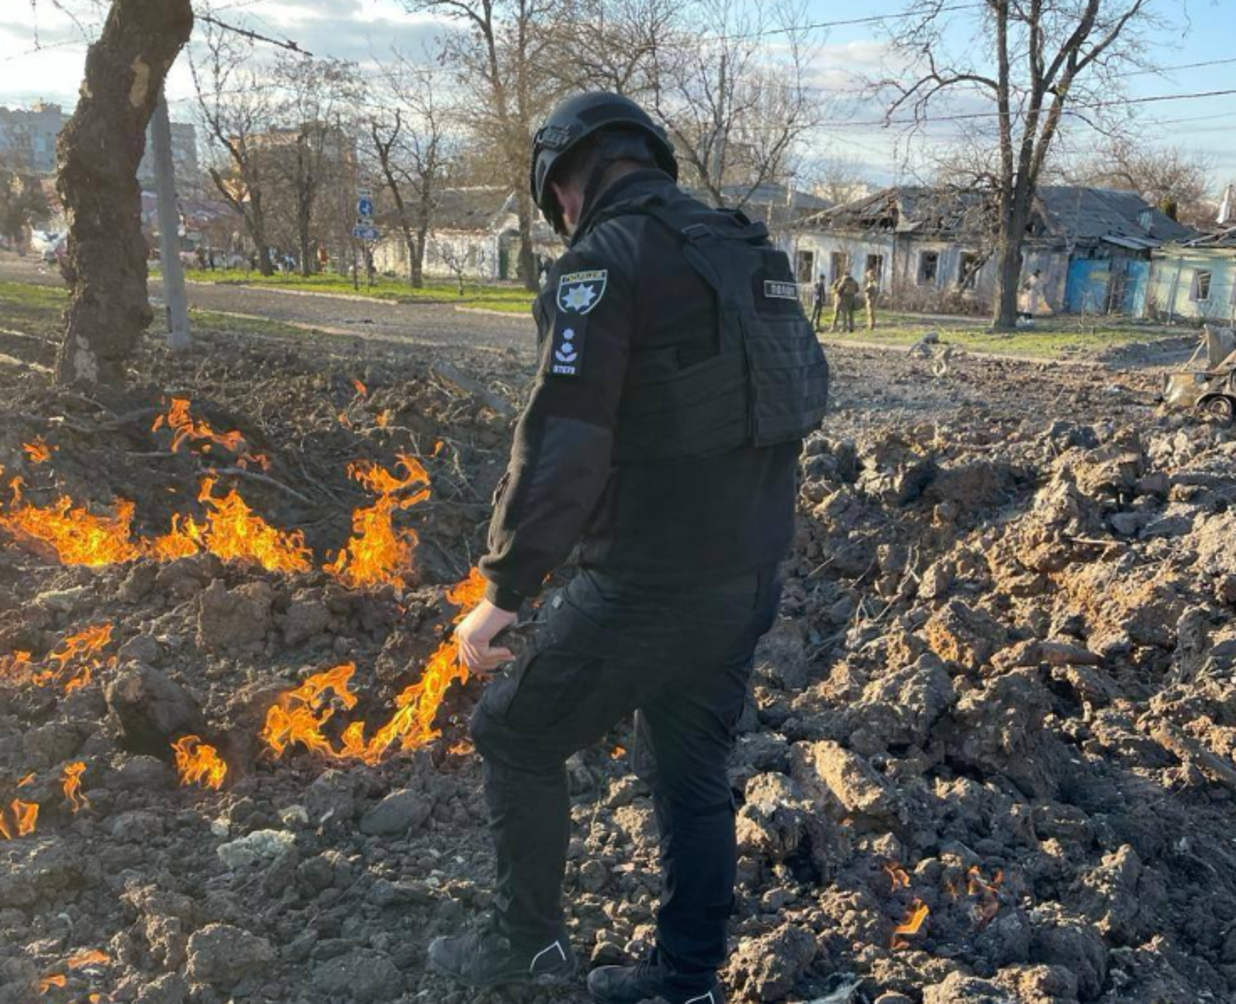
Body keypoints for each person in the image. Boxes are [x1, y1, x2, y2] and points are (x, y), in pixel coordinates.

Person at [429, 91, 829, 1004]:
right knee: (692, 771)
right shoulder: (743, 248)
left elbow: (565, 432)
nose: (563, 213)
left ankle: (522, 946)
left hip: (652, 580)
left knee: (515, 733)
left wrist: (507, 587)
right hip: (749, 573)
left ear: (567, 180)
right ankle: (687, 979)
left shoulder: (604, 260)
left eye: (557, 198)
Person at [863, 266, 879, 331]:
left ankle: (871, 326)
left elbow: (877, 289)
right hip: (868, 299)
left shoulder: (873, 282)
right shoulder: (870, 282)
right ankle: (869, 325)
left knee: (871, 313)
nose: (867, 276)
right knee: (869, 313)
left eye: (868, 275)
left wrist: (873, 297)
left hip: (871, 299)